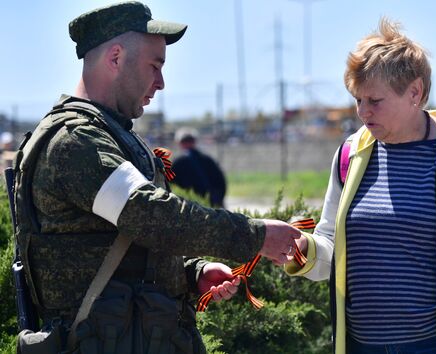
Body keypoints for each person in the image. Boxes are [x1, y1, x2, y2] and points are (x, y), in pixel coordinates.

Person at [12, 2, 300, 353]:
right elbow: (152, 217)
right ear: (115, 57)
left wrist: (193, 272)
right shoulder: (75, 141)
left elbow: (130, 241)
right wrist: (257, 236)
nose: (161, 83)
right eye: (155, 66)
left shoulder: (109, 134)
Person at [285, 18, 436, 354]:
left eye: (374, 100)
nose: (362, 112)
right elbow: (330, 253)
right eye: (357, 100)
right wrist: (300, 249)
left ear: (415, 92)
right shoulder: (350, 155)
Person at [172, 128, 227, 207]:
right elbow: (221, 182)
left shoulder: (177, 162)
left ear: (179, 143)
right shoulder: (207, 159)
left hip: (189, 206)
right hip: (212, 203)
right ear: (195, 141)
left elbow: (171, 185)